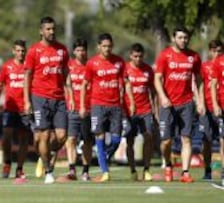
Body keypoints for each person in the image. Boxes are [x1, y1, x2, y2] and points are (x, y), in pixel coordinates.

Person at [23, 16, 74, 184]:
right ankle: (48, 172)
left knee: (61, 136)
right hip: (39, 97)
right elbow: (27, 76)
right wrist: (27, 100)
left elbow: (66, 74)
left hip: (59, 98)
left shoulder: (62, 50)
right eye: (48, 29)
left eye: (53, 28)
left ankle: (44, 155)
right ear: (41, 31)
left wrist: (71, 95)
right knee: (43, 136)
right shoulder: (33, 51)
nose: (51, 32)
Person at [80, 33, 135, 182]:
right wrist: (82, 105)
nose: (107, 49)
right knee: (100, 136)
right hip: (97, 104)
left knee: (117, 140)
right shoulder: (92, 63)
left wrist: (131, 100)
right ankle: (105, 171)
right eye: (104, 46)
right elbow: (84, 85)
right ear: (99, 47)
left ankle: (102, 156)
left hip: (116, 105)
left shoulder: (119, 62)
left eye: (109, 46)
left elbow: (126, 82)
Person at [154, 26, 204, 183]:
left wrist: (200, 100)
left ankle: (185, 172)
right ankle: (168, 164)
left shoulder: (194, 57)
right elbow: (157, 79)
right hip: (168, 104)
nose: (183, 40)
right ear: (174, 38)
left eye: (185, 38)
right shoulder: (165, 55)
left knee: (186, 139)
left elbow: (198, 80)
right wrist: (163, 97)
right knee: (166, 141)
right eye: (180, 37)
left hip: (187, 103)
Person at [0, 40, 30, 179]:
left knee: (24, 139)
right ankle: (7, 162)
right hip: (10, 108)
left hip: (24, 108)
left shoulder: (28, 66)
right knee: (7, 136)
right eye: (18, 50)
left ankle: (20, 168)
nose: (21, 53)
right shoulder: (7, 66)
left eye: (23, 51)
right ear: (13, 51)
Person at [122, 43, 155, 181]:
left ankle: (146, 169)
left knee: (149, 137)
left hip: (145, 109)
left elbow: (152, 91)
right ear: (131, 56)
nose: (138, 59)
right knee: (130, 141)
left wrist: (154, 108)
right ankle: (133, 170)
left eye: (140, 56)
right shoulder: (125, 69)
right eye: (135, 56)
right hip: (129, 111)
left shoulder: (148, 70)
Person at [65, 38, 94, 181]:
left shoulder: (92, 65)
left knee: (87, 142)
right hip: (73, 108)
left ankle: (85, 171)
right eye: (77, 50)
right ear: (73, 52)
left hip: (89, 109)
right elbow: (67, 84)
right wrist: (70, 98)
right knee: (71, 139)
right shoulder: (69, 65)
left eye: (83, 50)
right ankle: (71, 169)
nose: (80, 53)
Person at [199, 40, 223, 180]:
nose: (216, 54)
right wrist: (201, 103)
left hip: (220, 108)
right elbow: (201, 85)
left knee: (222, 140)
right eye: (214, 51)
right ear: (209, 51)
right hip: (207, 108)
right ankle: (207, 170)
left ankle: (222, 172)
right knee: (206, 141)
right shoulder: (205, 66)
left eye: (219, 51)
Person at [209, 40, 224, 186]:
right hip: (223, 106)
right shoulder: (218, 63)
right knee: (223, 142)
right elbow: (213, 85)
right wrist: (215, 104)